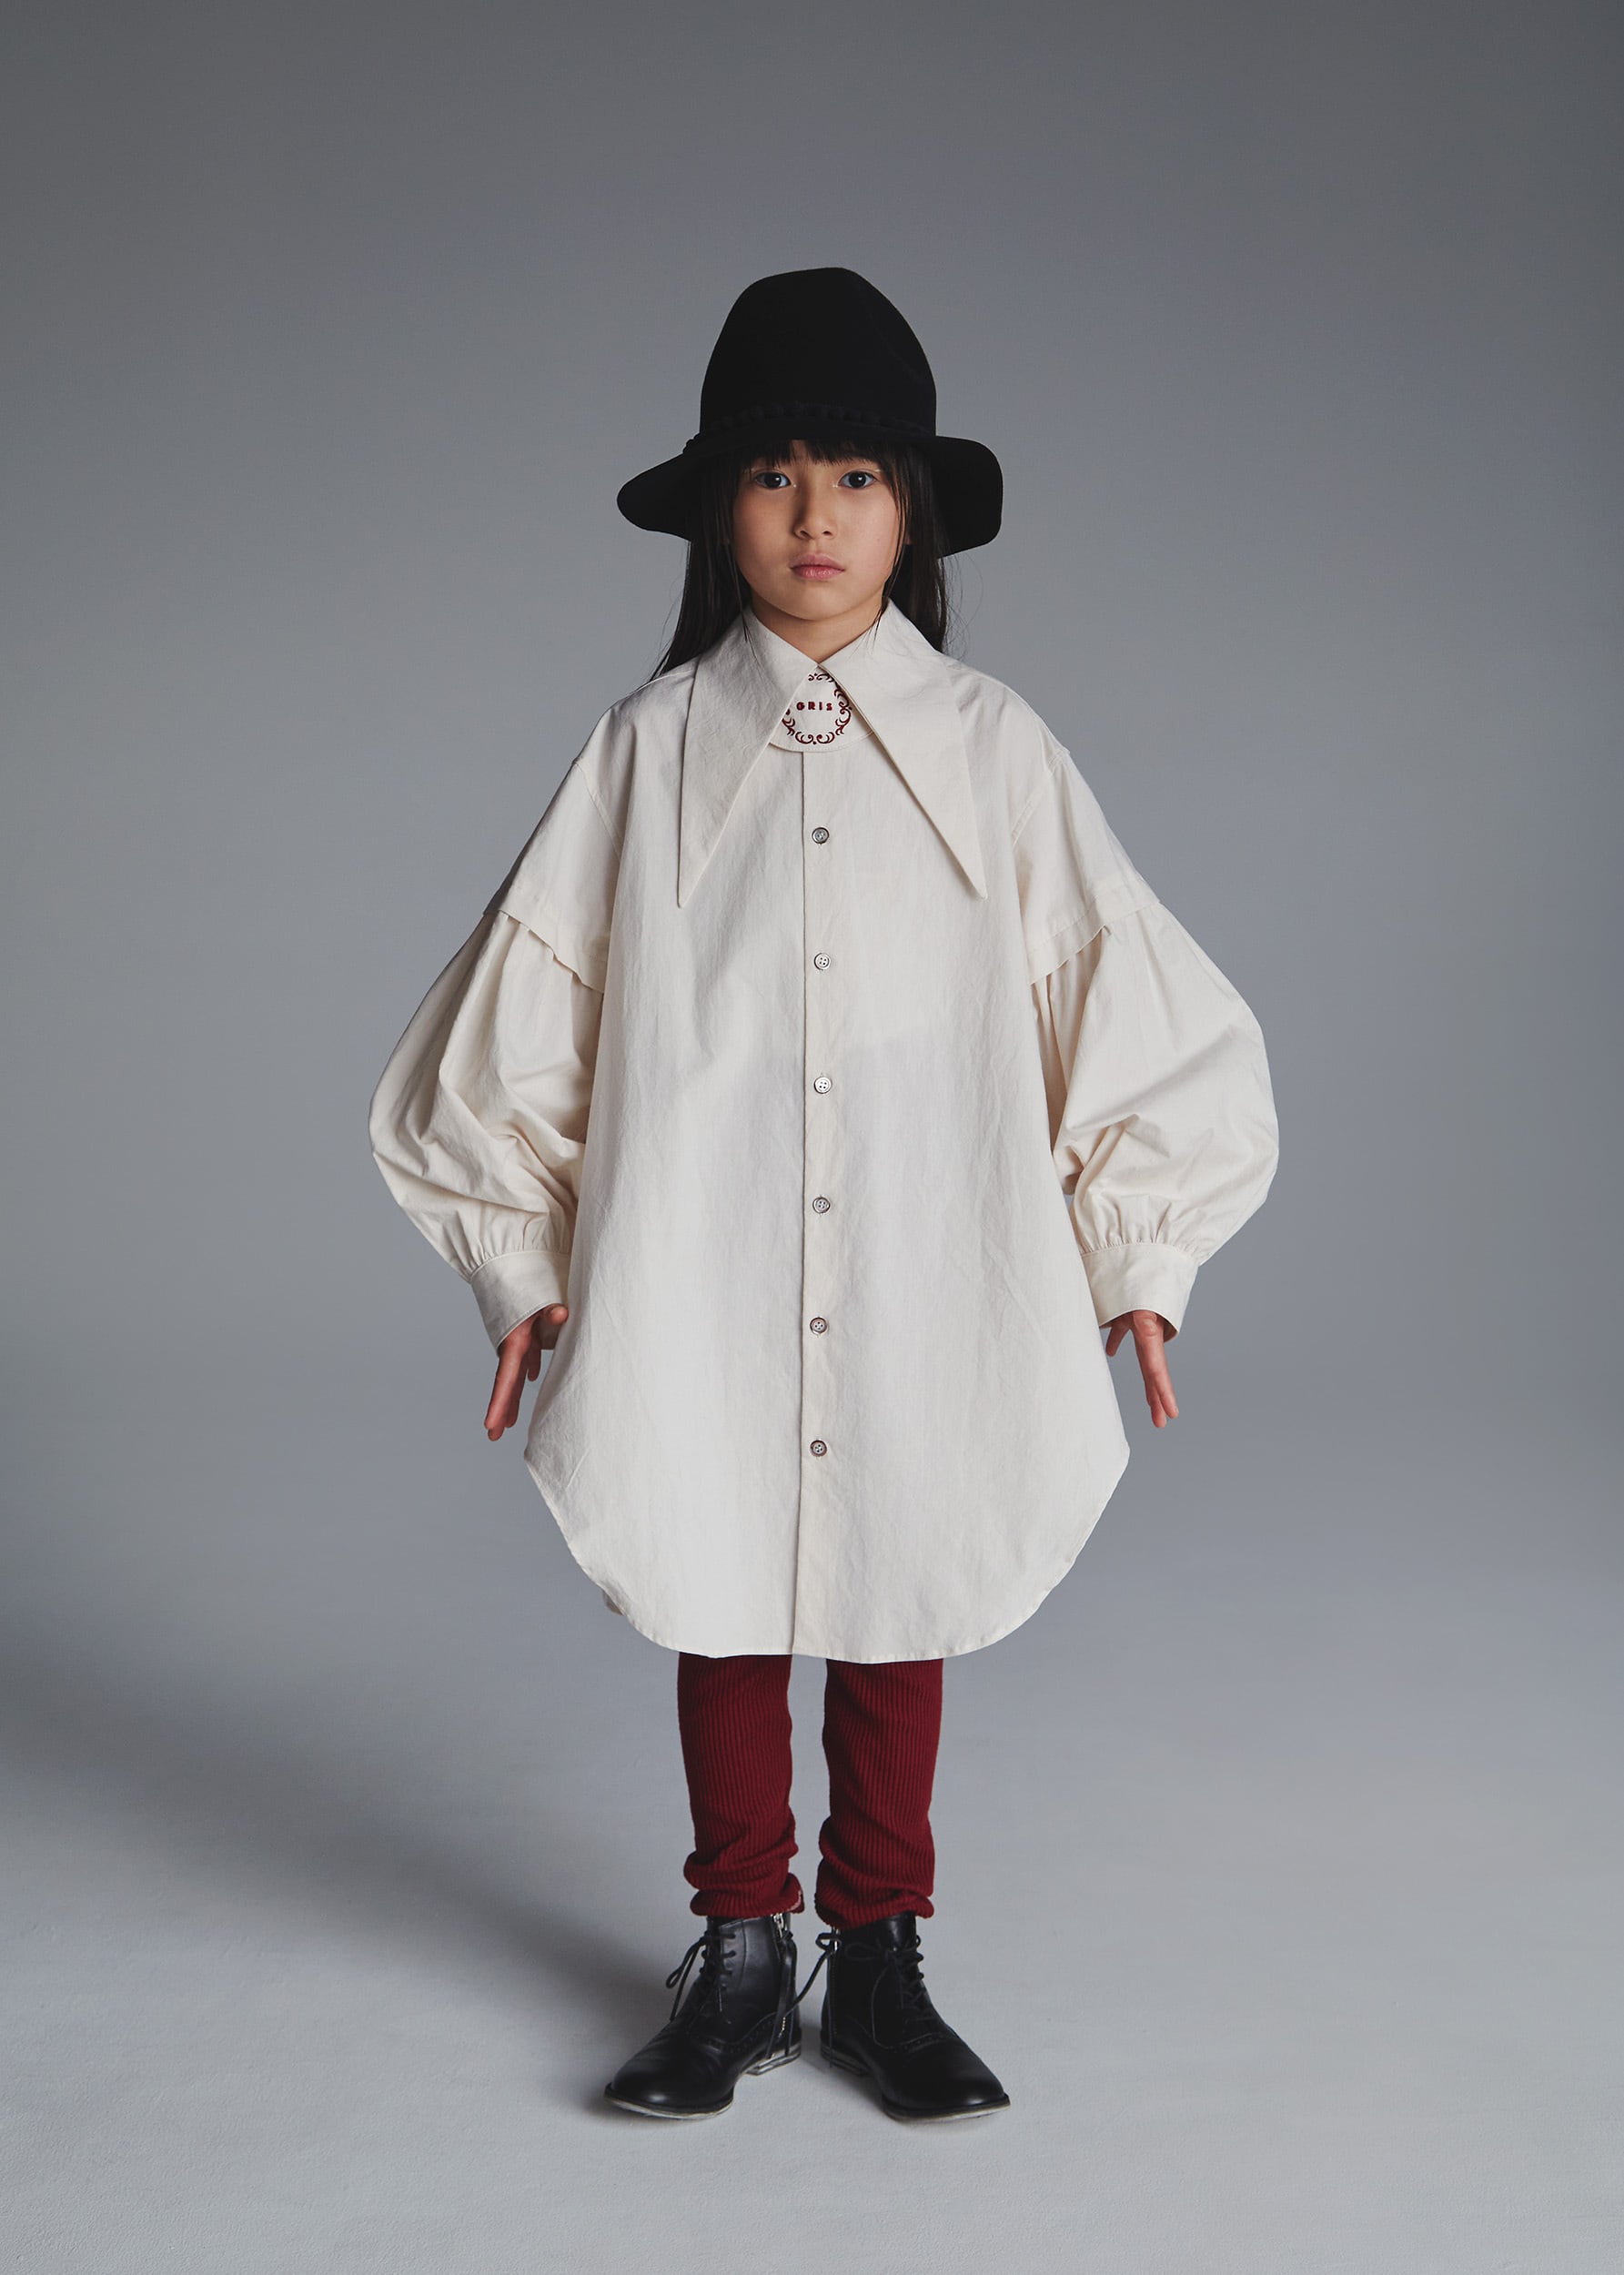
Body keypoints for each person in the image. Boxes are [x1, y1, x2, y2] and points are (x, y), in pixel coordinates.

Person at [367, 266, 1280, 2124]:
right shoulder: (643, 751)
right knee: (713, 1567)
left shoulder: (996, 750)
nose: (812, 514)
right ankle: (736, 1949)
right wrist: (516, 1260)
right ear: (720, 507)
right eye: (773, 472)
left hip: (930, 1241)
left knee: (899, 1573)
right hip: (701, 1244)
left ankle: (877, 1952)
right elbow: (524, 1019)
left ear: (911, 509)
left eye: (854, 474)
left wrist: (1143, 1246)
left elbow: (1117, 997)